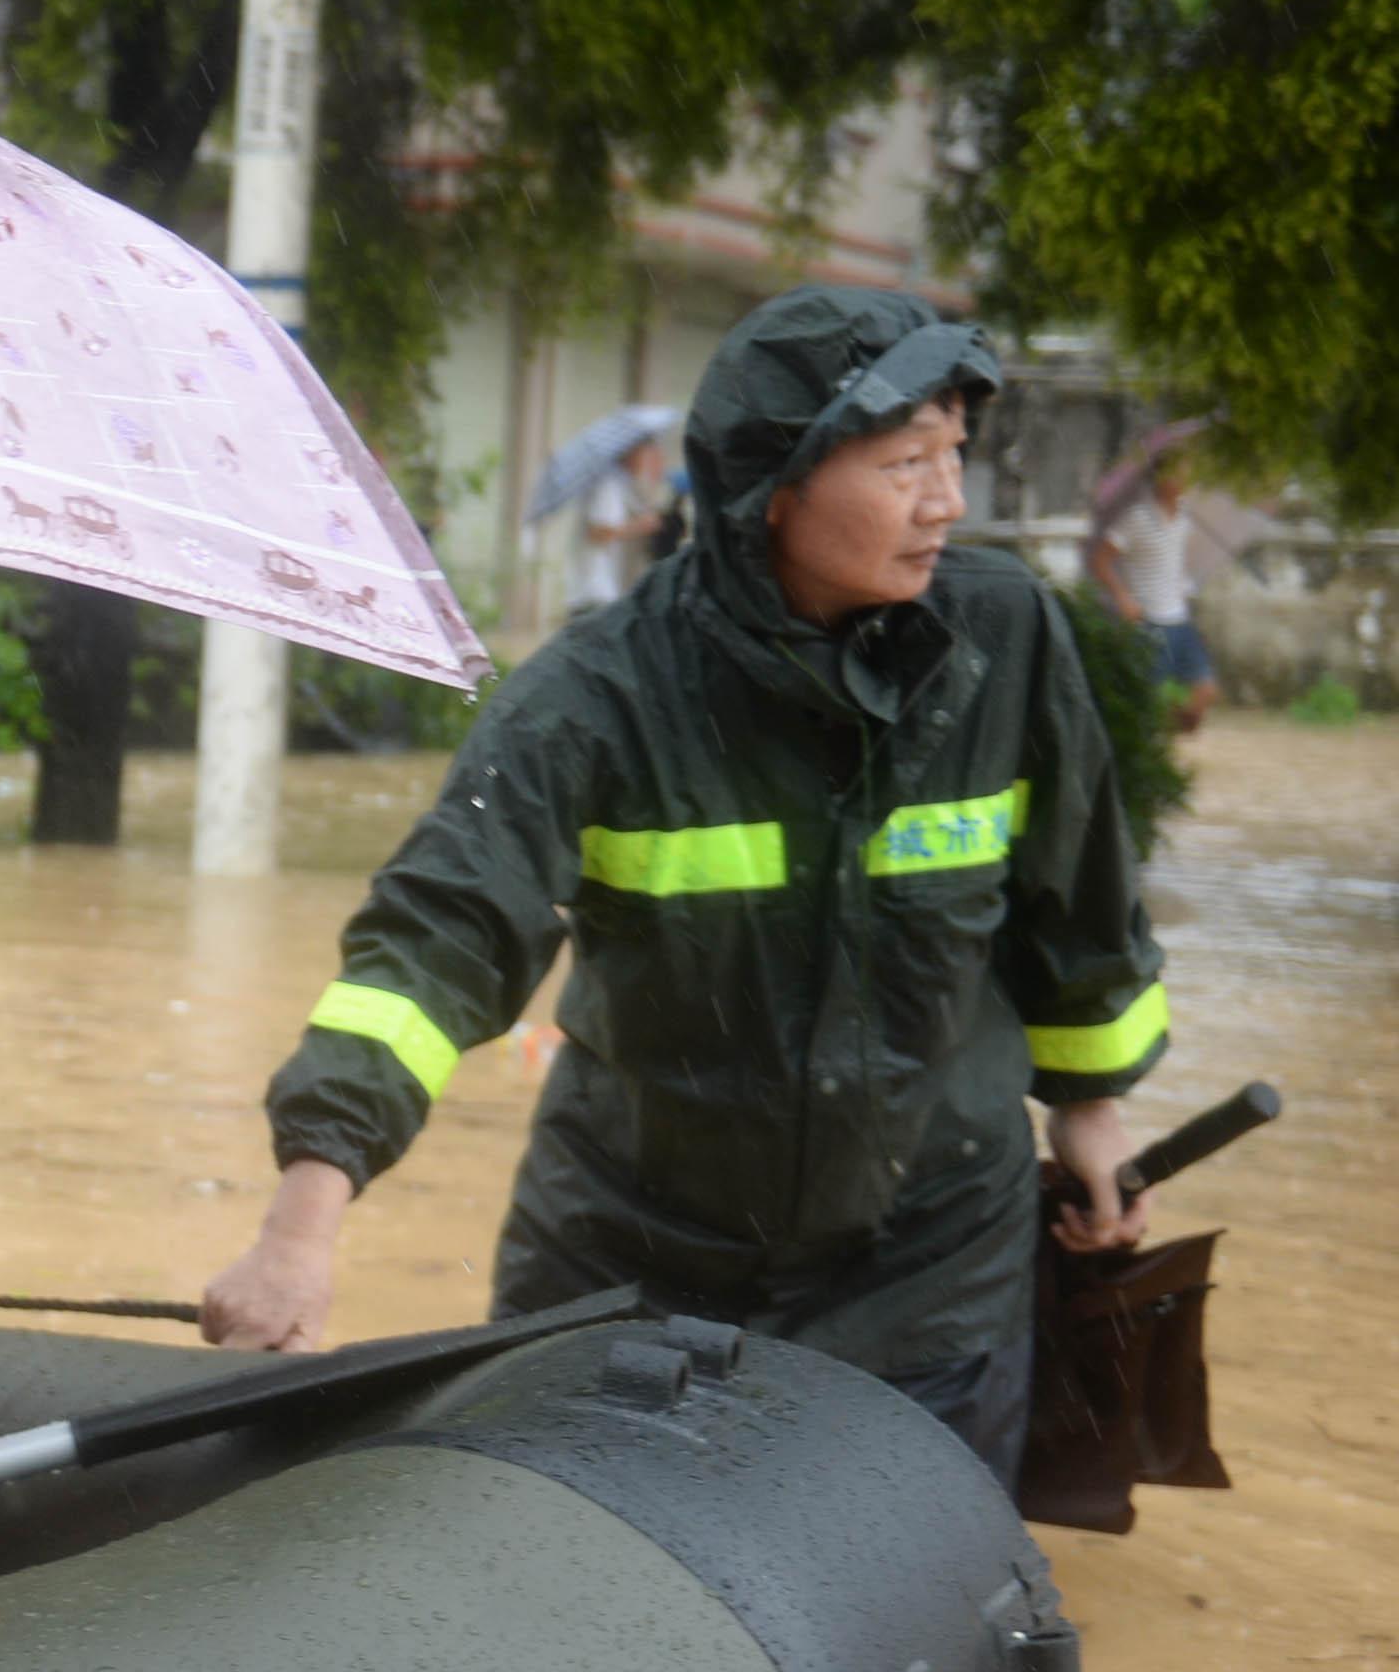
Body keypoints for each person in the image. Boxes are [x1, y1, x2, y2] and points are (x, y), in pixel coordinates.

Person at [199, 286, 1169, 1482]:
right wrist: (304, 1219)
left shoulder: (1002, 639)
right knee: (562, 1607)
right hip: (628, 1265)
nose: (947, 503)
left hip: (929, 1267)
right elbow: (439, 938)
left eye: (952, 456)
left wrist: (1092, 1112)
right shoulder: (598, 697)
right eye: (905, 462)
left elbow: (1075, 892)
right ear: (778, 489)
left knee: (897, 1633)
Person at [1091, 449, 1220, 738]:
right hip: (1150, 620)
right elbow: (1101, 559)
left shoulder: (1186, 517)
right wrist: (1122, 597)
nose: (1185, 479)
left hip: (1179, 617)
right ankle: (1150, 743)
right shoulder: (1138, 517)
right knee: (1149, 694)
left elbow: (1174, 560)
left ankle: (1165, 731)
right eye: (1179, 472)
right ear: (1162, 478)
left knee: (1206, 691)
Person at [571, 433, 664, 615]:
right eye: (644, 454)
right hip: (594, 591)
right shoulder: (608, 486)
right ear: (630, 454)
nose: (645, 462)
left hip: (599, 590)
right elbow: (599, 532)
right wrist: (640, 526)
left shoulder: (617, 484)